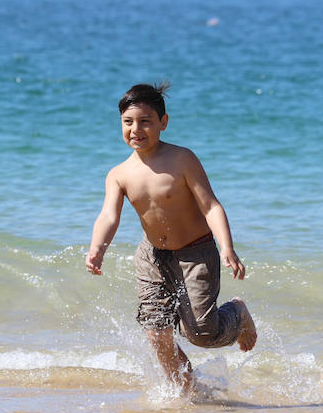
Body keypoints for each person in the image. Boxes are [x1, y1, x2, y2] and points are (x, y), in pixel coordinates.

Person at [86, 82, 258, 393]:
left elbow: (210, 205)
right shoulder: (118, 174)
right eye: (128, 122)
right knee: (156, 331)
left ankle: (237, 313)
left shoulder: (182, 159)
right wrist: (97, 248)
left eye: (145, 121)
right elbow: (109, 216)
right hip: (152, 255)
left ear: (163, 122)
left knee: (201, 334)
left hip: (196, 252)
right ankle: (187, 393)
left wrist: (226, 247)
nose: (136, 129)